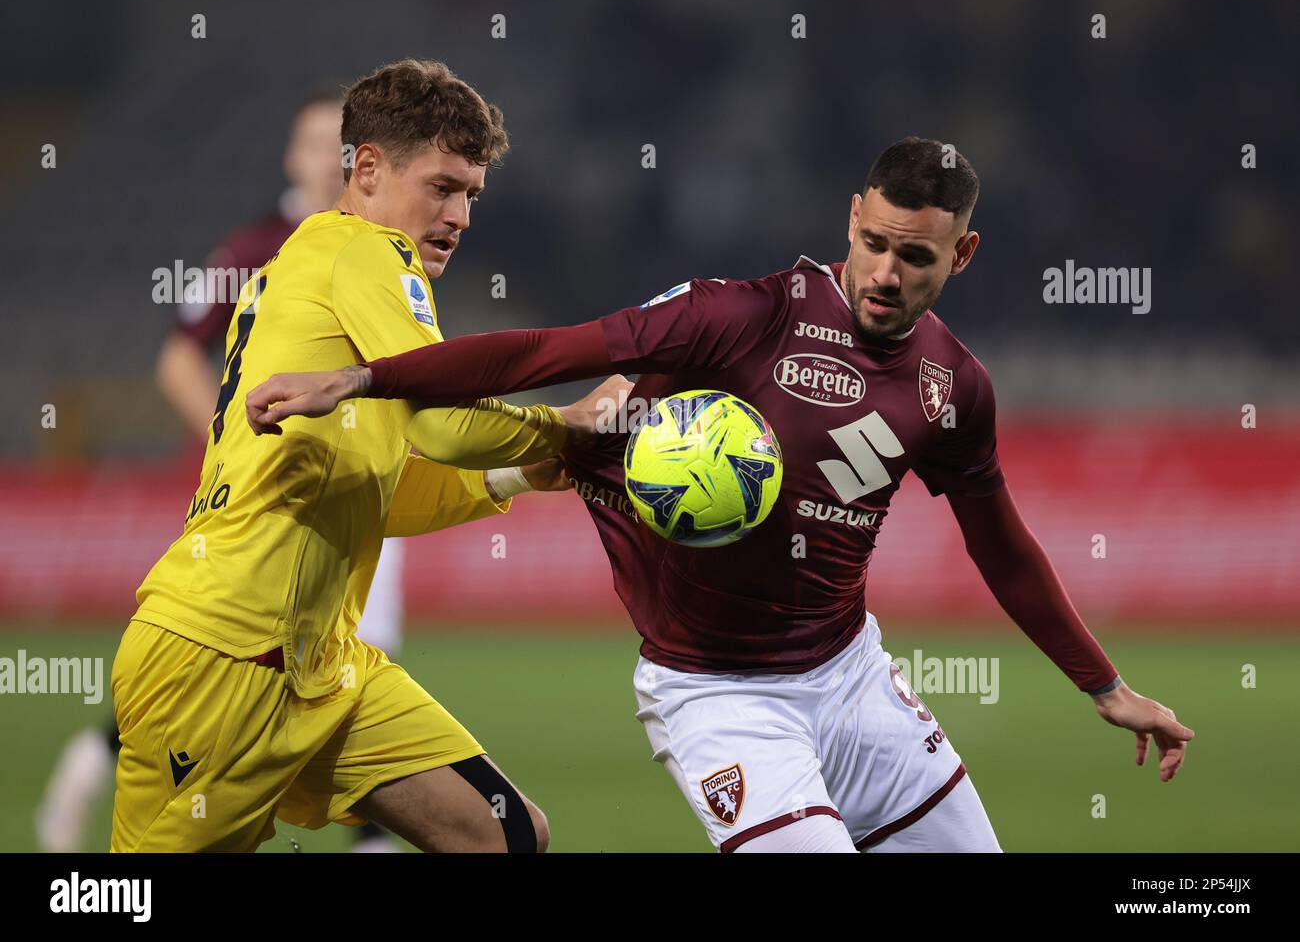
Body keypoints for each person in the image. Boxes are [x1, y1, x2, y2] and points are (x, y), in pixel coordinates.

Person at [247, 137, 1195, 853]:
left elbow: (1004, 545)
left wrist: (1104, 685)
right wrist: (370, 377)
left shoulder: (956, 388)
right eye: (872, 243)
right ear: (852, 214)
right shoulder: (742, 317)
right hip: (717, 693)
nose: (884, 274)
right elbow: (551, 351)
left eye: (916, 258)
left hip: (850, 675)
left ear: (964, 254)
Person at [110, 58, 609, 852]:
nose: (461, 215)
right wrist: (568, 428)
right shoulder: (364, 253)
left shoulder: (314, 276)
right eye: (443, 187)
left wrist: (527, 468)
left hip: (324, 669)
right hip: (222, 660)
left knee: (505, 835)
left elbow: (380, 487)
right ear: (368, 169)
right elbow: (447, 425)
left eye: (473, 194)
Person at [36, 89, 397, 854]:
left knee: (359, 657)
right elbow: (175, 356)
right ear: (291, 158)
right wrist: (234, 441)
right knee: (234, 652)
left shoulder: (378, 244)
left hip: (356, 489)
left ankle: (364, 833)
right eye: (312, 142)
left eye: (340, 143)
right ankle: (98, 764)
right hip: (264, 503)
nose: (326, 157)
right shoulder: (255, 248)